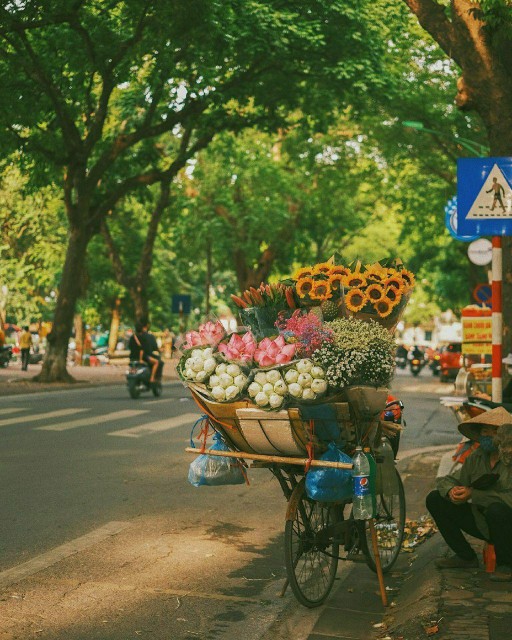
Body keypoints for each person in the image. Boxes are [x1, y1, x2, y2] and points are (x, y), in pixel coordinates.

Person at [426, 406, 512, 581]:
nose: (487, 436)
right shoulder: (476, 458)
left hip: (506, 523)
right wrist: (452, 491)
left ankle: (506, 564)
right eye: (484, 431)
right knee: (435, 498)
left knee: (497, 509)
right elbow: (448, 480)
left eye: (493, 432)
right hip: (483, 522)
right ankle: (466, 557)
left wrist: (473, 494)